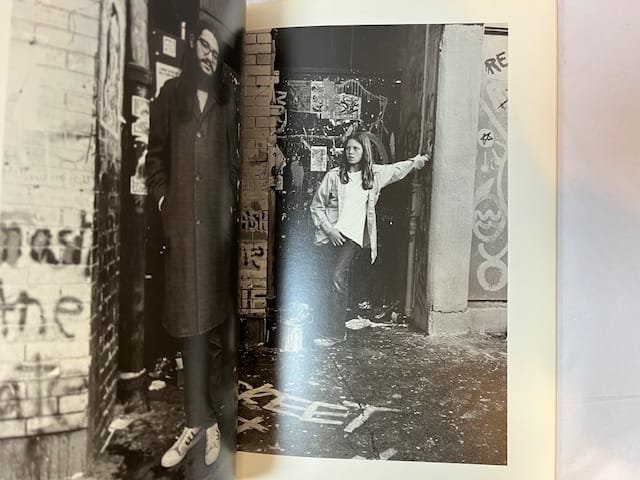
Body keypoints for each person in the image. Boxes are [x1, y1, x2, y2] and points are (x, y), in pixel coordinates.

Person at [145, 19, 239, 468]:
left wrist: (228, 210)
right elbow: (155, 159)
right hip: (182, 232)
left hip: (215, 236)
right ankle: (194, 422)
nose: (208, 55)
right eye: (203, 46)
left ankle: (211, 423)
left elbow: (235, 162)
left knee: (214, 334)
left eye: (215, 51)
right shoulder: (170, 96)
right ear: (191, 47)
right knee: (188, 331)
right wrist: (166, 202)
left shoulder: (226, 100)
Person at [309, 132, 428, 347]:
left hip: (352, 238)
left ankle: (336, 334)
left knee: (337, 278)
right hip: (331, 235)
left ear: (364, 152)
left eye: (356, 148)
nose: (351, 152)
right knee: (329, 281)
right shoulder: (334, 176)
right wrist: (330, 231)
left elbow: (397, 170)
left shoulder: (374, 174)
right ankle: (329, 328)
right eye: (348, 148)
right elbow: (316, 206)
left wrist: (418, 161)